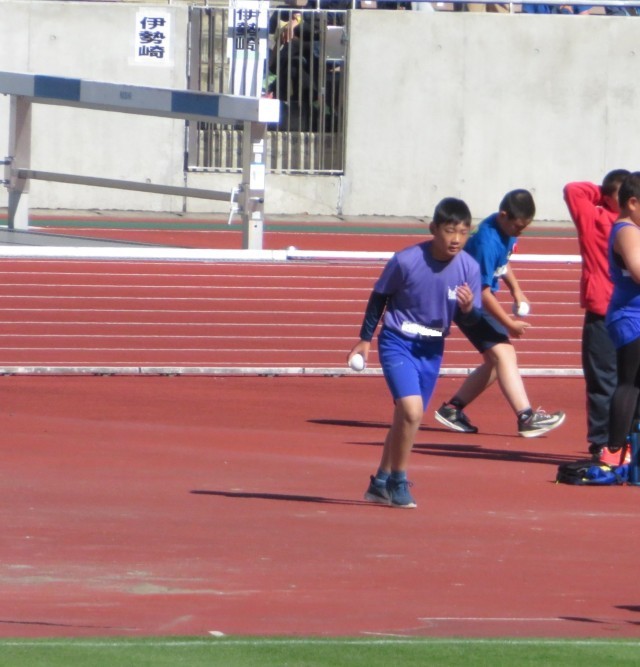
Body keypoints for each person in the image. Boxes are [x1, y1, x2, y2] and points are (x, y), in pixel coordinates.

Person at [349, 197, 482, 509]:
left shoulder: (469, 268)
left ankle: (379, 482)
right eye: (450, 231)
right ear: (433, 228)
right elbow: (379, 297)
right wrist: (365, 339)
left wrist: (467, 310)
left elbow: (473, 318)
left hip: (432, 348)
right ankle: (398, 480)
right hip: (397, 341)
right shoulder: (406, 260)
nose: (456, 239)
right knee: (411, 411)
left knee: (405, 418)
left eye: (463, 233)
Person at [435, 189, 566, 438]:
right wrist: (509, 324)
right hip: (467, 301)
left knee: (497, 363)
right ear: (504, 215)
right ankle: (526, 417)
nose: (520, 232)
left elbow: (503, 263)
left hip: (475, 297)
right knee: (505, 353)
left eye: (524, 228)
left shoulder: (505, 230)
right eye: (517, 227)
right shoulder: (487, 242)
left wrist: (516, 290)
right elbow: (483, 292)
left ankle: (453, 409)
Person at [563, 170, 630, 458]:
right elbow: (573, 190)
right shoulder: (613, 223)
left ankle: (610, 442)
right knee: (614, 381)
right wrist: (606, 194)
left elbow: (573, 190)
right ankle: (611, 442)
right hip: (613, 312)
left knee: (610, 381)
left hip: (613, 312)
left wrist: (604, 195)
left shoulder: (601, 219)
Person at [600, 172, 640, 466]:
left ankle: (630, 448)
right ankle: (613, 449)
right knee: (630, 382)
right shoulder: (627, 230)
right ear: (633, 203)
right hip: (631, 317)